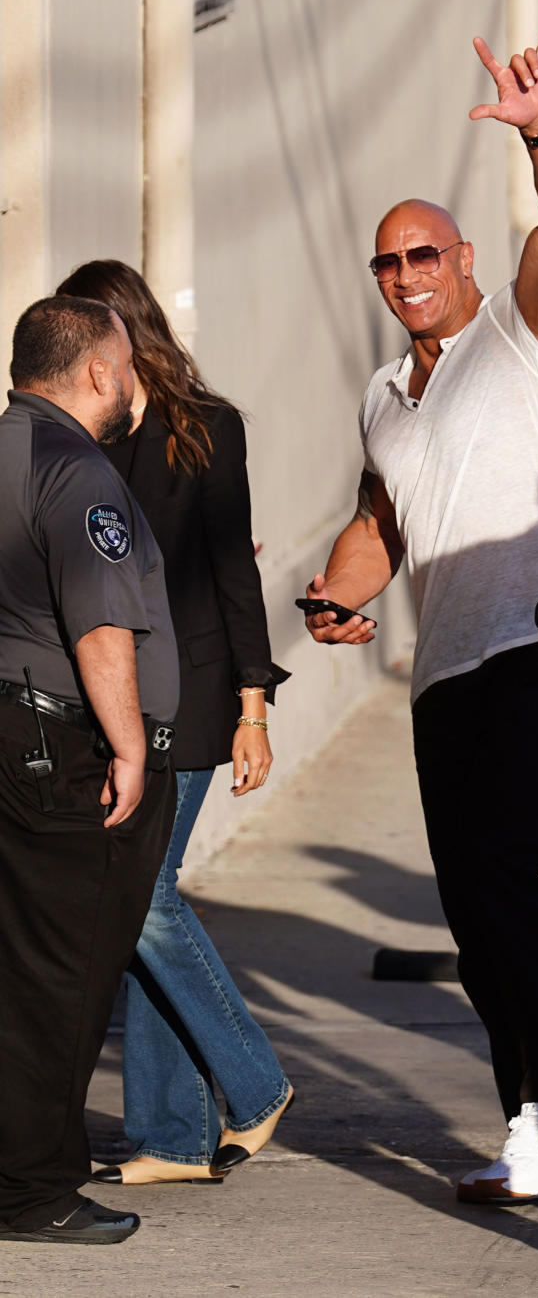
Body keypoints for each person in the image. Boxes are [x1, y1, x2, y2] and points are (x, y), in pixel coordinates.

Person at [304, 28, 538, 1204]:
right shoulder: (389, 391)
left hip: (537, 646)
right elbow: (383, 516)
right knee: (475, 909)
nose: (407, 273)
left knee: (502, 875)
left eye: (423, 252)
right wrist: (340, 592)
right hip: (445, 680)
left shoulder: (520, 331)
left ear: (465, 256)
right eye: (388, 263)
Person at [56, 261, 292, 1186]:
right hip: (111, 698)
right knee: (144, 896)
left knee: (145, 900)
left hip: (193, 695)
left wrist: (253, 710)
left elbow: (236, 571)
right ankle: (173, 1137)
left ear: (129, 332)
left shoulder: (208, 428)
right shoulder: (79, 439)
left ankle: (257, 1081)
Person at [0, 297, 179, 1244]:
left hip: (14, 738)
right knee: (63, 979)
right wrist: (126, 748)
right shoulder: (78, 472)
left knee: (19, 965)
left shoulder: (6, 449)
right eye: (129, 365)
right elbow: (101, 627)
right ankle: (35, 1191)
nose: (136, 383)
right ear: (100, 372)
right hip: (64, 749)